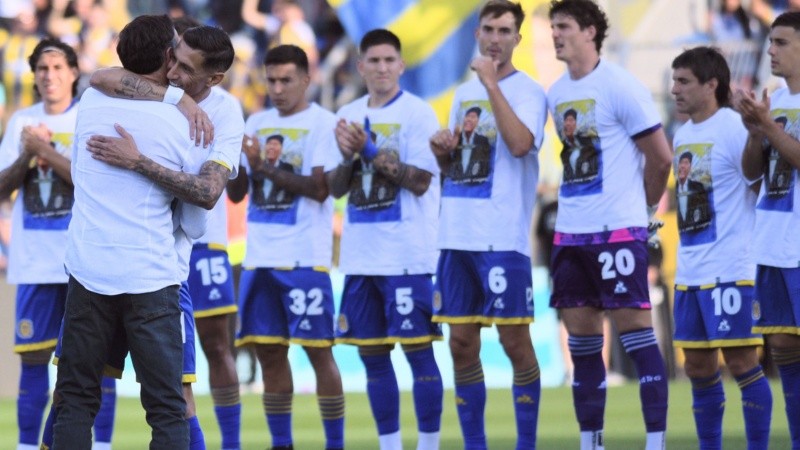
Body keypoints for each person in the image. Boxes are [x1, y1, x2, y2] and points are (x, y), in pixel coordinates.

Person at [52, 14, 212, 449]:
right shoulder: (187, 125)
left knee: (75, 402)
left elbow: (107, 76)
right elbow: (196, 223)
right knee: (166, 408)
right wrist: (181, 99)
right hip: (151, 278)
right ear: (167, 57)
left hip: (88, 273)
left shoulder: (90, 101)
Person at [83, 22, 243, 450]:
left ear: (214, 79)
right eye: (174, 56)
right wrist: (178, 97)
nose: (172, 70)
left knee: (175, 393)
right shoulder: (160, 90)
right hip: (105, 267)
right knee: (78, 386)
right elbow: (101, 76)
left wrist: (137, 162)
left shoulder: (226, 114)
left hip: (164, 273)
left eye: (186, 69)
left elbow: (208, 193)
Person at [546, 1, 673, 449]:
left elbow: (661, 158)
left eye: (563, 27)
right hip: (570, 234)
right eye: (553, 27)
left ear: (588, 32)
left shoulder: (620, 85)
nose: (555, 34)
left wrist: (640, 217)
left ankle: (655, 441)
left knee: (636, 337)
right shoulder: (555, 92)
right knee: (582, 347)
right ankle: (591, 441)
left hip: (617, 232)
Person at [428, 1, 546, 448]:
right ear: (477, 34)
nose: (495, 38)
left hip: (501, 237)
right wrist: (443, 151)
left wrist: (492, 85)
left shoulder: (529, 91)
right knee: (460, 344)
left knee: (515, 342)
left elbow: (518, 145)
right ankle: (475, 443)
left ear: (518, 38)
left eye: (504, 30)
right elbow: (458, 168)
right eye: (488, 30)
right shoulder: (463, 93)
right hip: (456, 233)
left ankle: (526, 442)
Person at [327, 28, 443, 450]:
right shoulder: (349, 113)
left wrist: (371, 151)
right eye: (372, 61)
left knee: (419, 355)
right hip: (361, 259)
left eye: (388, 60)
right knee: (372, 358)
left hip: (407, 258)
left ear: (401, 65)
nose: (381, 68)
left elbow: (421, 181)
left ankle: (428, 445)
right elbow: (338, 189)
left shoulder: (419, 114)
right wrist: (347, 156)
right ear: (360, 66)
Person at [0, 37, 116, 450]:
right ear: (33, 76)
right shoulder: (21, 122)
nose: (49, 76)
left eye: (56, 68)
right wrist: (27, 156)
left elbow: (94, 181)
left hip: (83, 262)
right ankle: (27, 446)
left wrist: (45, 149)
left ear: (72, 73)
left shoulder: (89, 117)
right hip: (33, 263)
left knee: (95, 362)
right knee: (32, 361)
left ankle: (100, 444)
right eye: (41, 69)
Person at [228, 44, 345, 450]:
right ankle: (282, 444)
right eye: (271, 80)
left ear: (306, 79)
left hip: (304, 260)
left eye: (286, 80)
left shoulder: (324, 123)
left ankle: (334, 443)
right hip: (260, 259)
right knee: (270, 356)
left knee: (318, 354)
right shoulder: (256, 121)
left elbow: (318, 188)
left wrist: (263, 166)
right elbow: (239, 193)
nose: (277, 88)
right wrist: (232, 158)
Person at [671, 45, 773, 449]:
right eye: (674, 80)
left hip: (731, 267)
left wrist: (754, 136)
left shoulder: (732, 126)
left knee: (743, 363)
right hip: (690, 270)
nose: (674, 89)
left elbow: (753, 179)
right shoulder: (682, 134)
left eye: (684, 81)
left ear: (711, 85)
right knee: (697, 367)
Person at [736, 10, 800, 449]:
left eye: (780, 42)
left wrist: (767, 129)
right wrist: (752, 132)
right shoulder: (775, 101)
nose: (770, 51)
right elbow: (751, 175)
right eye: (770, 42)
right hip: (772, 244)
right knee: (782, 351)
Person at [675, 151, 712, 232]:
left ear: (690, 166)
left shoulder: (698, 187)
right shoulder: (674, 187)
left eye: (686, 163)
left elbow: (706, 216)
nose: (682, 166)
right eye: (681, 163)